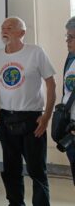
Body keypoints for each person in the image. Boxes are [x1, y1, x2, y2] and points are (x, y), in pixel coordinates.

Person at [0, 17, 56, 206]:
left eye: (9, 28)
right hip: (6, 118)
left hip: (31, 119)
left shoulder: (35, 52)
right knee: (11, 169)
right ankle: (15, 203)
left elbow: (51, 84)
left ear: (22, 33)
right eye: (2, 27)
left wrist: (46, 117)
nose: (4, 30)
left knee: (36, 170)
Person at [62, 17, 75, 184]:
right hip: (71, 128)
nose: (67, 41)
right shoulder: (70, 59)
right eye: (67, 37)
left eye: (71, 37)